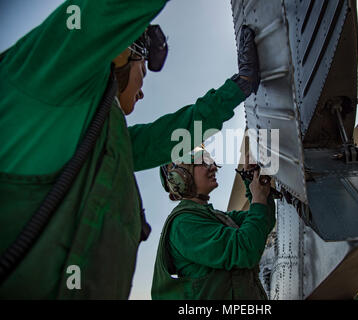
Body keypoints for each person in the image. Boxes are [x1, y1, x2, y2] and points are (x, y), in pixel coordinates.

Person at [0, 0, 260, 299]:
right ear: (125, 54)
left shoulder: (105, 141)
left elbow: (173, 135)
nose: (142, 89)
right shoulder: (47, 79)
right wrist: (128, 30)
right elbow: (99, 15)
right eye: (143, 71)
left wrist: (238, 87)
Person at [152, 147, 276, 299]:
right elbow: (245, 249)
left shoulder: (217, 218)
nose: (213, 167)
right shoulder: (183, 225)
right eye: (202, 163)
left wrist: (251, 180)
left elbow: (264, 220)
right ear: (181, 177)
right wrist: (258, 198)